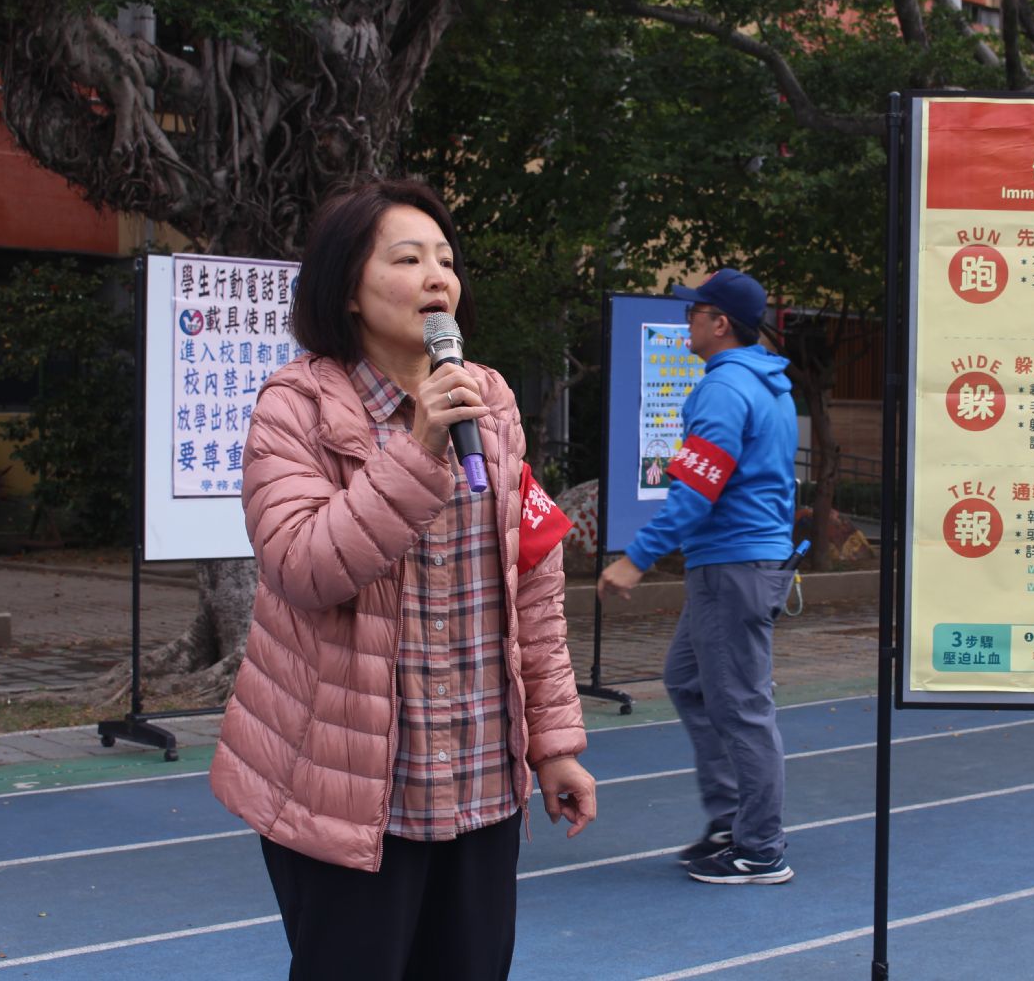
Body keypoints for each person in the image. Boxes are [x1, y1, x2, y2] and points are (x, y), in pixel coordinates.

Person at [209, 177, 596, 981]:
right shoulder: (295, 407)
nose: (436, 278)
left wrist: (555, 746)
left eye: (446, 260)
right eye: (408, 258)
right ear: (348, 288)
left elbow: (533, 587)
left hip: (481, 775)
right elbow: (303, 566)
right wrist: (418, 448)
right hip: (347, 790)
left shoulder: (490, 401)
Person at [597, 268, 798, 885]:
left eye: (694, 312)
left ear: (720, 323)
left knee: (741, 706)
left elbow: (694, 492)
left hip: (732, 566)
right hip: (746, 562)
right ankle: (732, 821)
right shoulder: (768, 384)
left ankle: (759, 847)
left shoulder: (723, 389)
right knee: (688, 680)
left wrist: (636, 558)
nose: (686, 321)